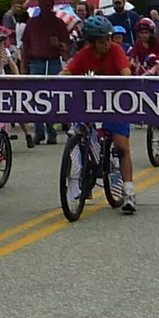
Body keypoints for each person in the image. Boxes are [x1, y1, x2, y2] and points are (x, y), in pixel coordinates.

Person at [60, 16, 137, 213]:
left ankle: (128, 191)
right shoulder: (84, 54)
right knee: (78, 132)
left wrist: (126, 78)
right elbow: (70, 71)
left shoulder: (116, 50)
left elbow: (125, 69)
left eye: (108, 39)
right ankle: (82, 175)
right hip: (91, 103)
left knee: (121, 146)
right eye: (102, 41)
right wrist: (58, 78)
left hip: (116, 102)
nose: (107, 43)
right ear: (92, 43)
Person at [22, 0, 70, 145]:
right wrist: (24, 66)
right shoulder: (32, 23)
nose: (46, 7)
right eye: (44, 4)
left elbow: (67, 47)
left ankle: (52, 132)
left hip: (53, 61)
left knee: (52, 96)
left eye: (48, 4)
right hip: (36, 61)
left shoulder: (59, 23)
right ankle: (39, 131)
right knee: (35, 96)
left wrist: (59, 44)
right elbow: (25, 44)